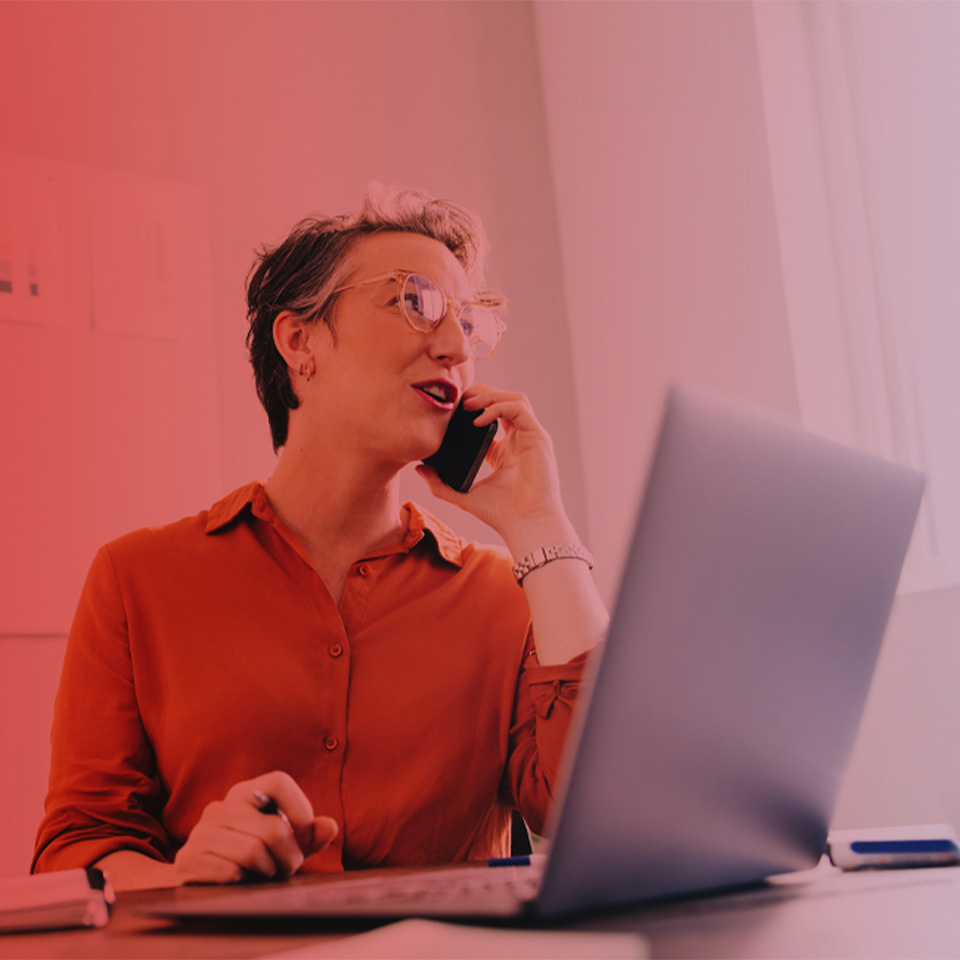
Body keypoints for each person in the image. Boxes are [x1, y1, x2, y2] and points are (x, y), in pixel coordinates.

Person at [32, 186, 608, 890]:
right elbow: (77, 850)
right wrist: (185, 878)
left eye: (468, 323)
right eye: (417, 301)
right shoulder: (136, 579)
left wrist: (540, 523)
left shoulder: (505, 597)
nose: (457, 347)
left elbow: (601, 811)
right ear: (300, 342)